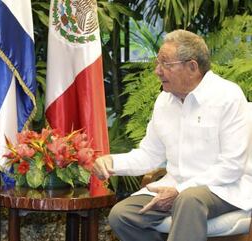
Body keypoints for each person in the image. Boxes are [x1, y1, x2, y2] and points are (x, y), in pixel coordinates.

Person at [93, 29, 252, 241]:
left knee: (189, 200)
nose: (157, 71)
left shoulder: (227, 97)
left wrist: (180, 190)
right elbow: (150, 155)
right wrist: (111, 162)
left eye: (166, 64)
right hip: (176, 187)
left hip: (224, 189)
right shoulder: (164, 102)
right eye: (157, 63)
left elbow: (231, 166)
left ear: (192, 67)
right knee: (122, 216)